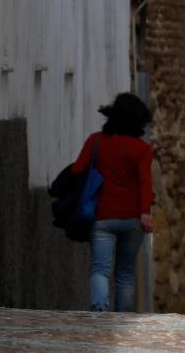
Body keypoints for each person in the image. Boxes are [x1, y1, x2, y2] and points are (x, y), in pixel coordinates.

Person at [70, 92, 155, 312]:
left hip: (102, 216)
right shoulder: (142, 150)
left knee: (100, 269)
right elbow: (145, 182)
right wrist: (145, 212)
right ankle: (123, 318)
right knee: (125, 274)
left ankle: (100, 312)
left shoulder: (96, 141)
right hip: (132, 218)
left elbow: (78, 169)